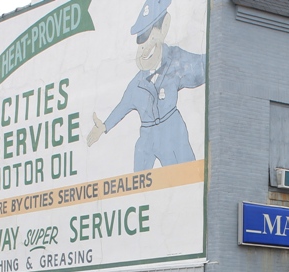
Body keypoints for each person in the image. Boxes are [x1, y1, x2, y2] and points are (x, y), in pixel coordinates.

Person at [87, 0, 206, 172]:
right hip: (147, 133)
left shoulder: (176, 60)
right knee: (139, 177)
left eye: (149, 36)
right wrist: (104, 127)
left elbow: (203, 65)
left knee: (186, 174)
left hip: (172, 128)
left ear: (164, 28)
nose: (145, 47)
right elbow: (123, 106)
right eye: (141, 41)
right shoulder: (137, 83)